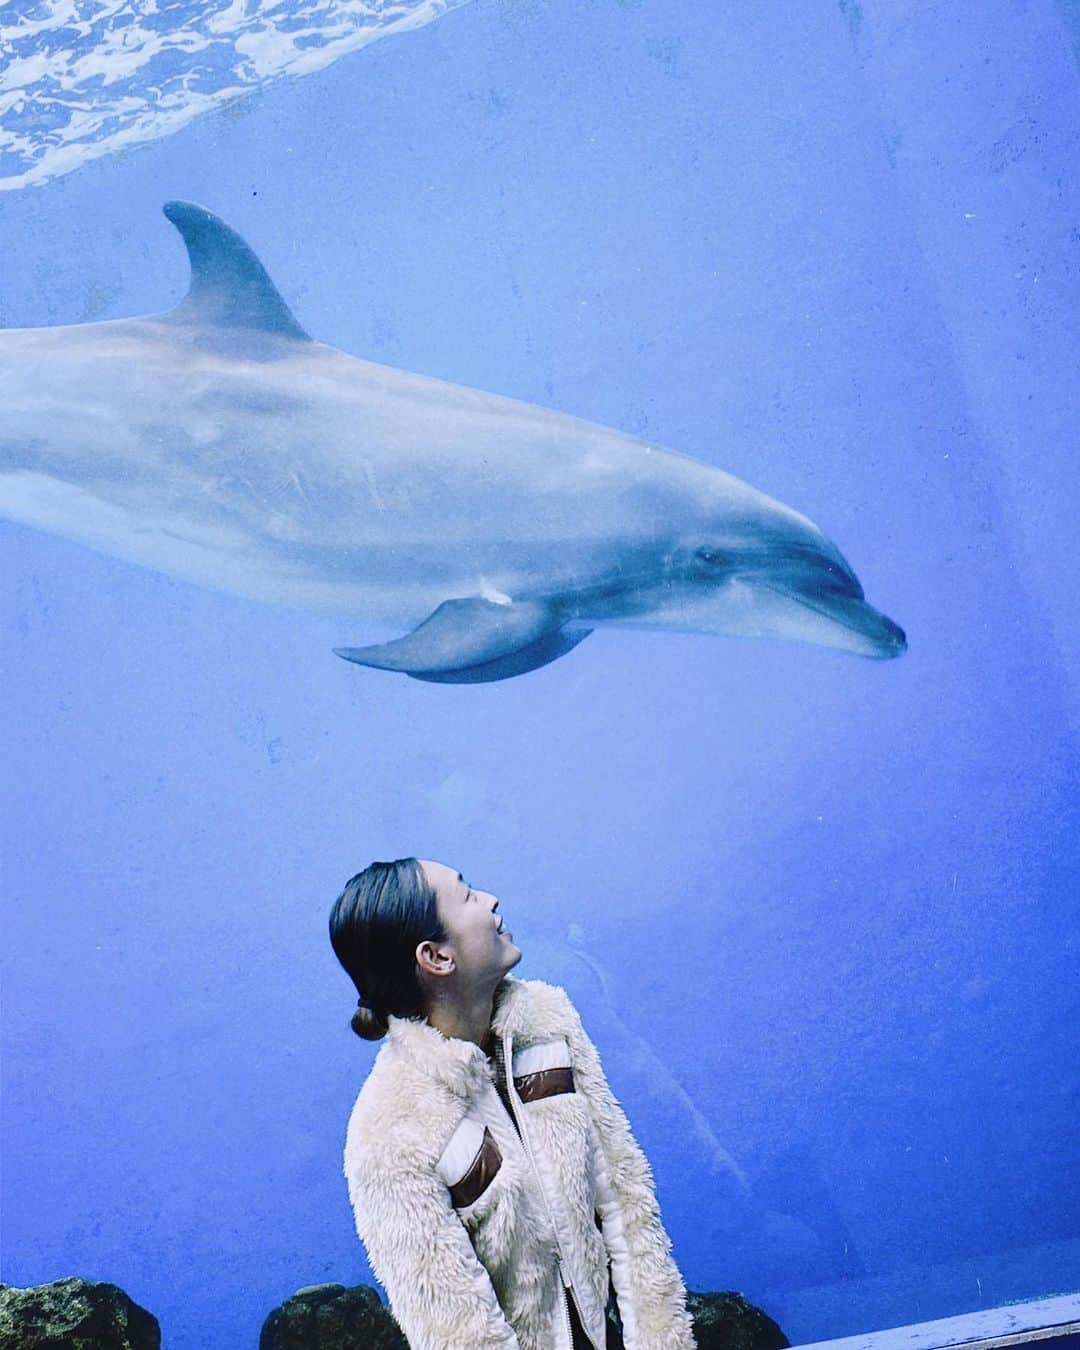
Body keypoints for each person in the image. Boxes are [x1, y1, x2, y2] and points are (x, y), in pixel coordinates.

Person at [329, 857, 697, 1350]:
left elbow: (626, 1196)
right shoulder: (388, 1132)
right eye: (467, 895)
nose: (490, 900)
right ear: (436, 958)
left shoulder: (550, 1019)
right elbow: (457, 1332)